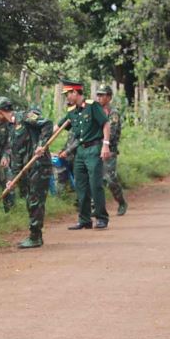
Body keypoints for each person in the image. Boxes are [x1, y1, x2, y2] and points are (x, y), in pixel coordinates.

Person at [57, 81, 112, 230]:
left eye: (68, 94)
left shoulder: (92, 106)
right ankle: (84, 219)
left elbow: (105, 124)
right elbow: (57, 127)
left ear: (75, 93)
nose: (67, 97)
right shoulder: (72, 111)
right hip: (80, 152)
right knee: (81, 186)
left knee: (95, 184)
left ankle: (101, 218)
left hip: (94, 149)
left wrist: (105, 144)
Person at [7, 104, 55, 249]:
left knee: (35, 202)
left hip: (40, 166)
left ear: (0, 111)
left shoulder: (27, 116)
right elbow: (15, 155)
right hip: (28, 169)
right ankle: (35, 235)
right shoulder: (11, 128)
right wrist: (13, 178)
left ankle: (35, 237)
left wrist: (41, 145)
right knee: (30, 201)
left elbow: (47, 123)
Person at [94, 83, 128, 217]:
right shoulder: (95, 111)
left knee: (110, 178)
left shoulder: (113, 114)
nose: (99, 98)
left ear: (109, 97)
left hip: (110, 150)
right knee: (95, 178)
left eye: (102, 95)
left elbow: (112, 133)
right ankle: (95, 207)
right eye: (98, 95)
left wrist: (102, 142)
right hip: (95, 149)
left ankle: (121, 202)